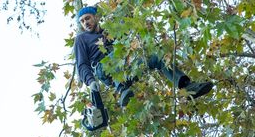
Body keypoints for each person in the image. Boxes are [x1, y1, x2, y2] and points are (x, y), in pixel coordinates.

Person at [74, 6, 213, 107]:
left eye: (88, 18)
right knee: (116, 55)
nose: (85, 23)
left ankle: (187, 86)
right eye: (82, 21)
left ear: (96, 17)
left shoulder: (110, 31)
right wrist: (91, 81)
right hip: (103, 67)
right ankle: (121, 89)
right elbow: (82, 64)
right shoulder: (81, 39)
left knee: (157, 57)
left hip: (126, 64)